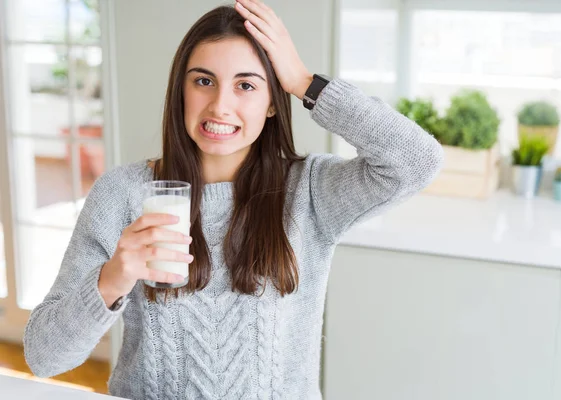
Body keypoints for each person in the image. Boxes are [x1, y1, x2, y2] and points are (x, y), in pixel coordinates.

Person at [23, 1, 443, 399]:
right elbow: (43, 356)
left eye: (246, 85)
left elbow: (417, 160)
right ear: (181, 91)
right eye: (203, 81)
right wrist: (112, 278)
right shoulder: (123, 192)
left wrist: (302, 81)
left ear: (273, 104)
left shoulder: (310, 191)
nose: (220, 106)